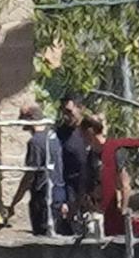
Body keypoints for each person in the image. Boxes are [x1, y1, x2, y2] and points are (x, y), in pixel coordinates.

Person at [10, 101, 65, 235]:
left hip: (42, 197)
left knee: (42, 239)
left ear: (30, 119)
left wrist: (15, 201)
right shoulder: (54, 136)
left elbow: (30, 175)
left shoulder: (35, 142)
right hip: (58, 193)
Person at [55, 94, 88, 235]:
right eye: (63, 112)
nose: (66, 116)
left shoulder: (90, 130)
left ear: (80, 108)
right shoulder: (60, 133)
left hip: (91, 186)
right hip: (71, 187)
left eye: (69, 111)